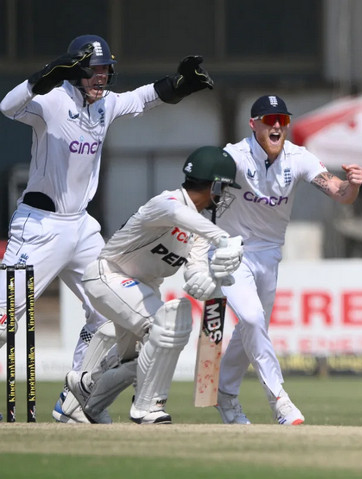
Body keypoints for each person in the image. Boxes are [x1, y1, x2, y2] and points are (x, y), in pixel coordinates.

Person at [0, 34, 215, 422]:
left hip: (81, 226)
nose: (102, 77)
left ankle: (74, 401)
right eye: (95, 70)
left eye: (106, 70)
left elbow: (145, 97)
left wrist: (179, 85)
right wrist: (46, 74)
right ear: (77, 70)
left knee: (105, 314)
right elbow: (8, 106)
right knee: (2, 319)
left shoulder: (106, 105)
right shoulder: (51, 101)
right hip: (40, 225)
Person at [63, 146, 244, 424]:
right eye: (224, 187)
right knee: (169, 324)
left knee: (138, 360)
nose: (225, 195)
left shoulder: (198, 232)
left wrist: (216, 276)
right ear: (214, 184)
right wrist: (223, 239)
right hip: (107, 276)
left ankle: (87, 391)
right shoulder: (165, 202)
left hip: (141, 290)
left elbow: (196, 282)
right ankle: (147, 408)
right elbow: (178, 215)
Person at [213, 94, 362, 425]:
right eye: (269, 121)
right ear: (254, 125)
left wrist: (352, 187)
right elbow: (201, 187)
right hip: (230, 250)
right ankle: (280, 400)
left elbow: (339, 193)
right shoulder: (235, 156)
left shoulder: (299, 158)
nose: (277, 126)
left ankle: (224, 396)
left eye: (282, 120)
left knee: (251, 328)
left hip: (269, 253)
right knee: (252, 319)